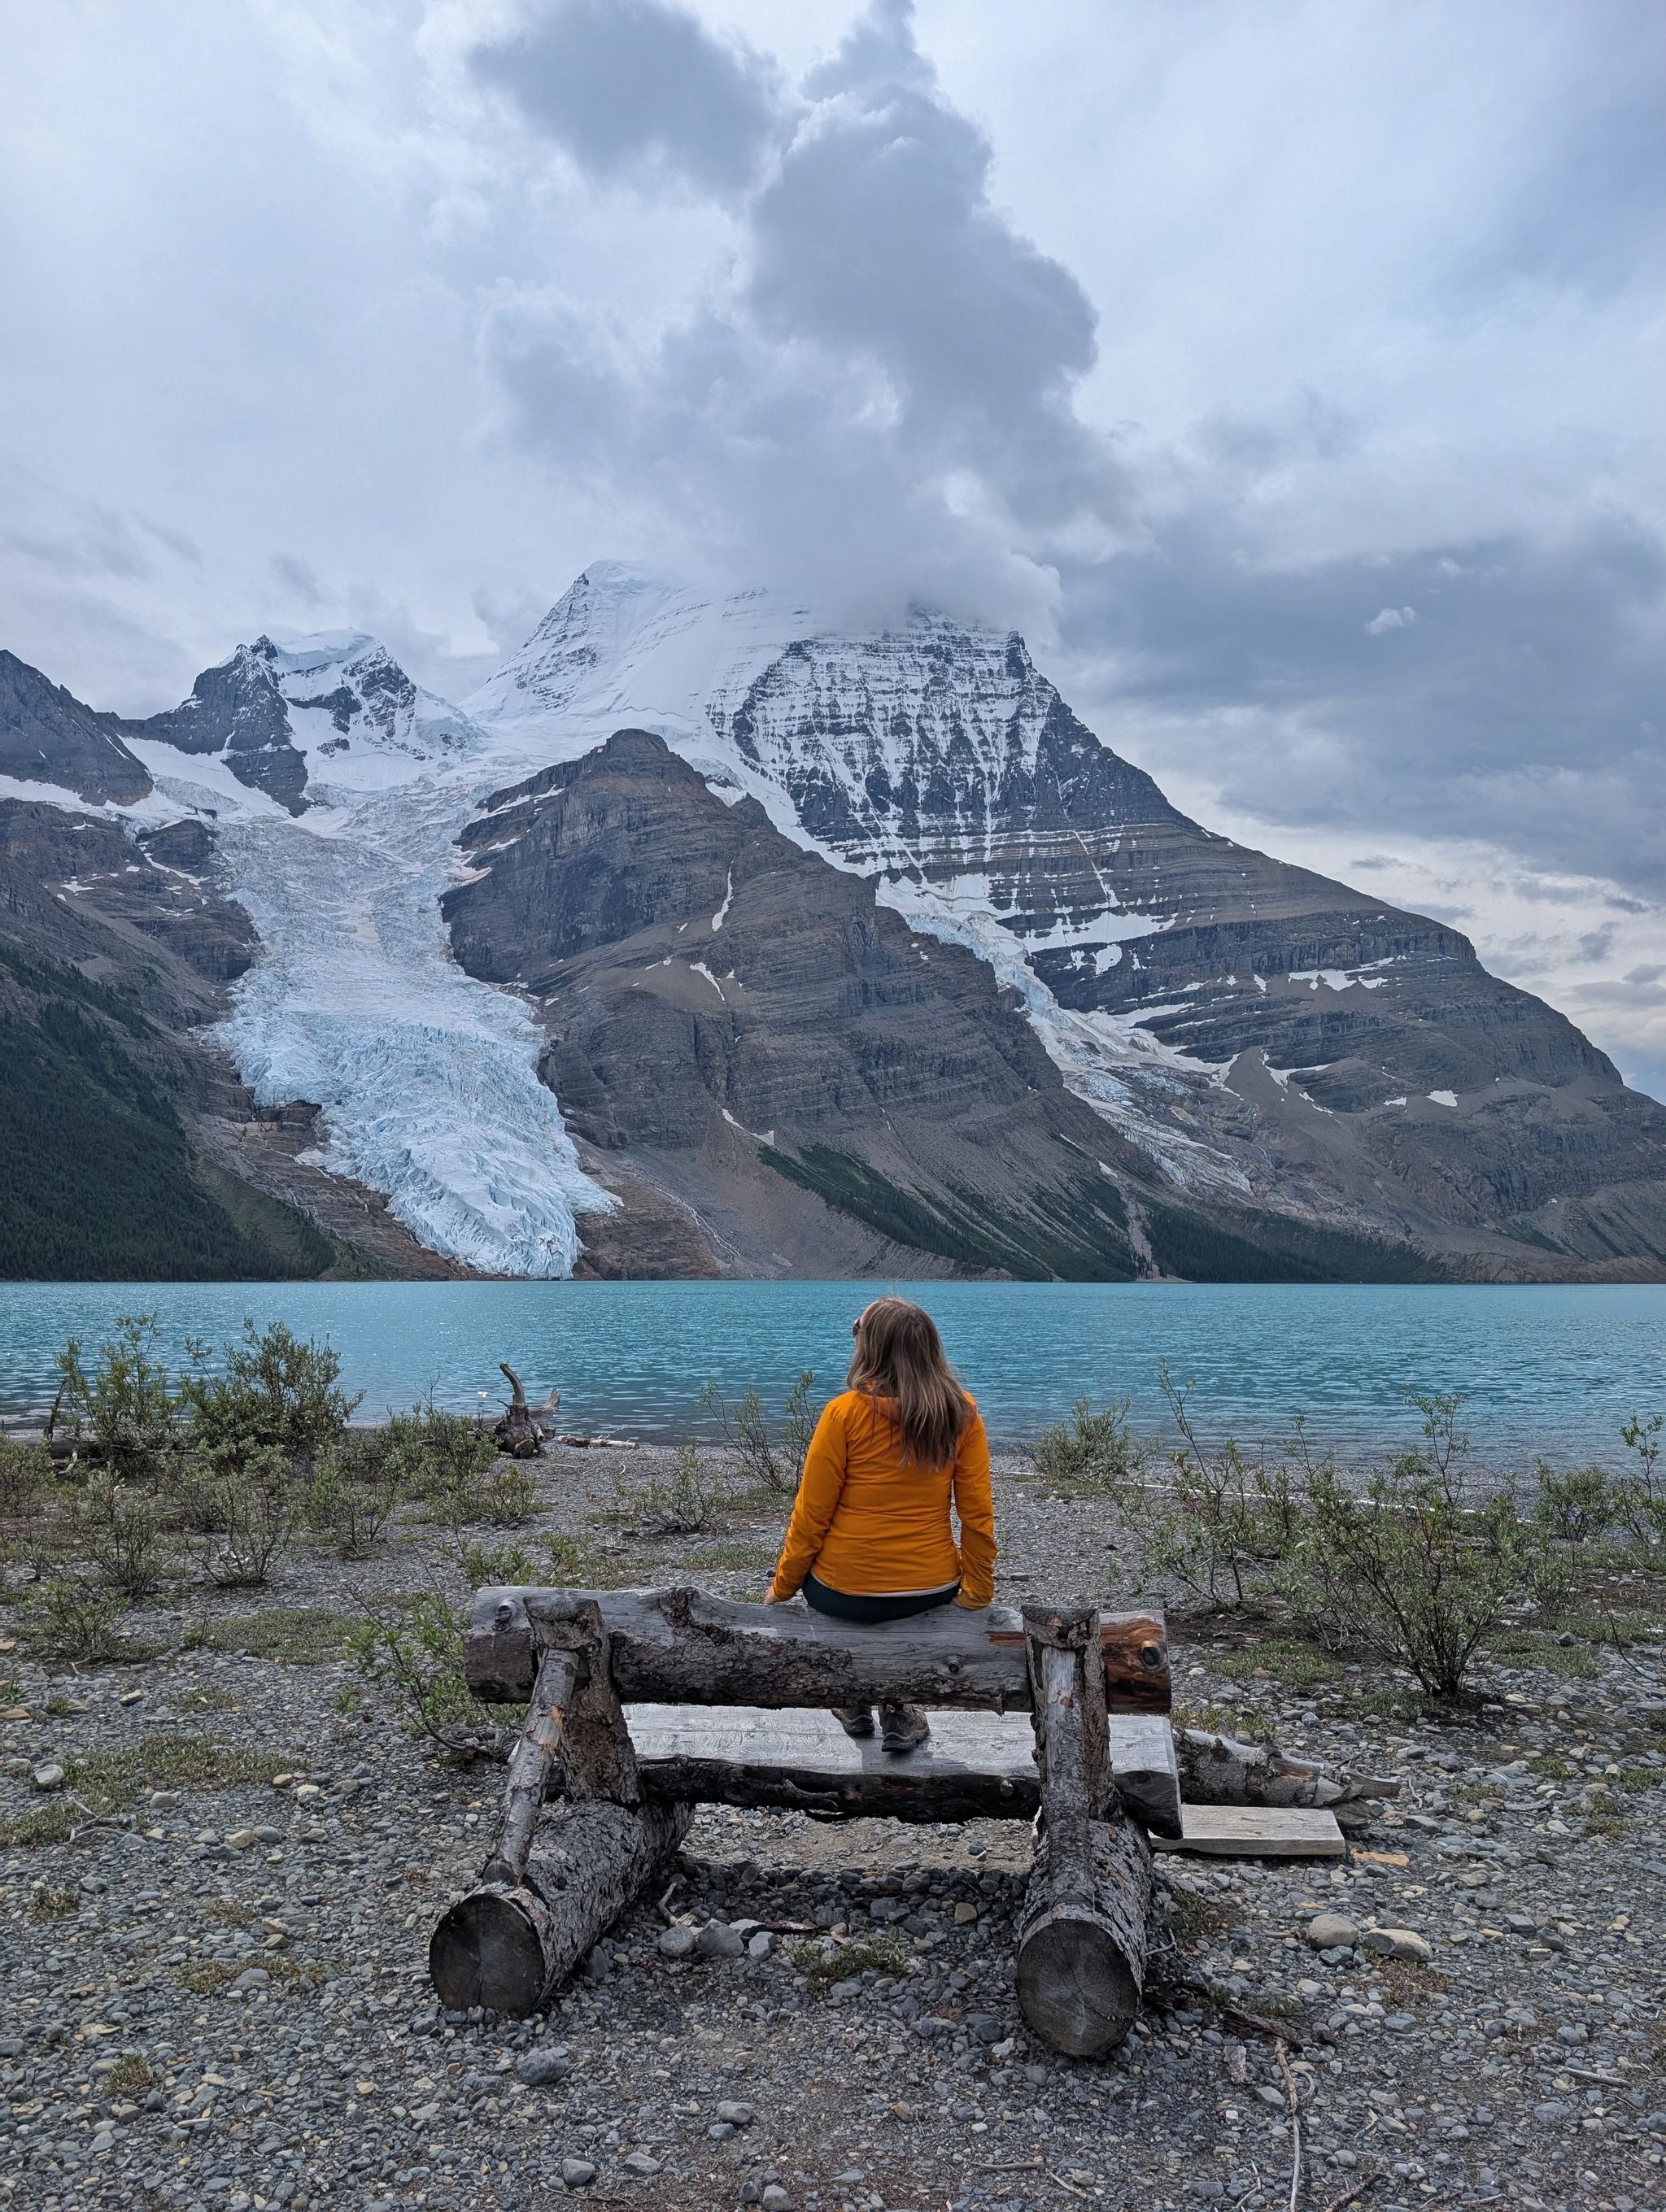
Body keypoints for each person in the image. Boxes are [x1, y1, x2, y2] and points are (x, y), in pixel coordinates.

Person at [764, 1295, 997, 1753]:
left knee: (833, 1595)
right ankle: (898, 1708)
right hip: (929, 1590)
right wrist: (977, 1591)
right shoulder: (962, 1413)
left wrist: (783, 1588)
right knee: (903, 1609)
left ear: (870, 1348)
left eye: (858, 1330)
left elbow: (811, 1516)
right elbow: (976, 1514)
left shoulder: (843, 1414)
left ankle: (852, 1699)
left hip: (842, 1591)